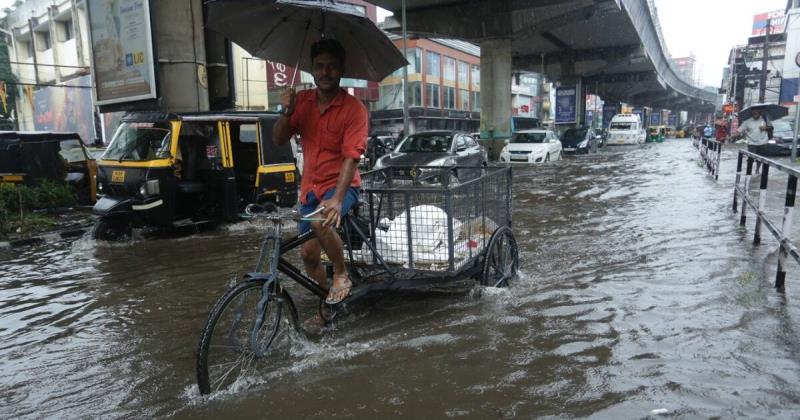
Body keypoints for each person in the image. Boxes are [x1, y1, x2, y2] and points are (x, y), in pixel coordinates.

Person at [273, 38, 367, 308]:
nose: (325, 72)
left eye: (332, 67)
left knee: (319, 222)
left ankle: (341, 274)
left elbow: (352, 157)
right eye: (319, 66)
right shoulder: (301, 102)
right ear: (312, 69)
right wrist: (286, 112)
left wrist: (337, 199)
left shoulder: (354, 110)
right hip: (310, 189)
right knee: (307, 254)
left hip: (342, 187)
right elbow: (279, 138)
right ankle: (326, 308)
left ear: (341, 69)